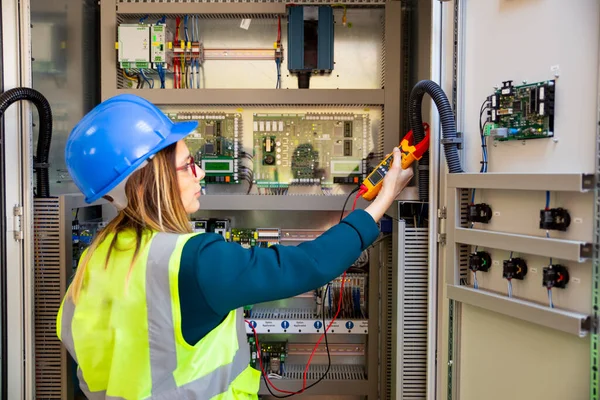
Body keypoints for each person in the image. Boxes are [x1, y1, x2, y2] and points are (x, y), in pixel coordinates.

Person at [56, 94, 414, 400]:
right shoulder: (193, 261)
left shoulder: (92, 262)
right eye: (187, 165)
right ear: (152, 178)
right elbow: (311, 263)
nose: (199, 174)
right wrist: (382, 200)